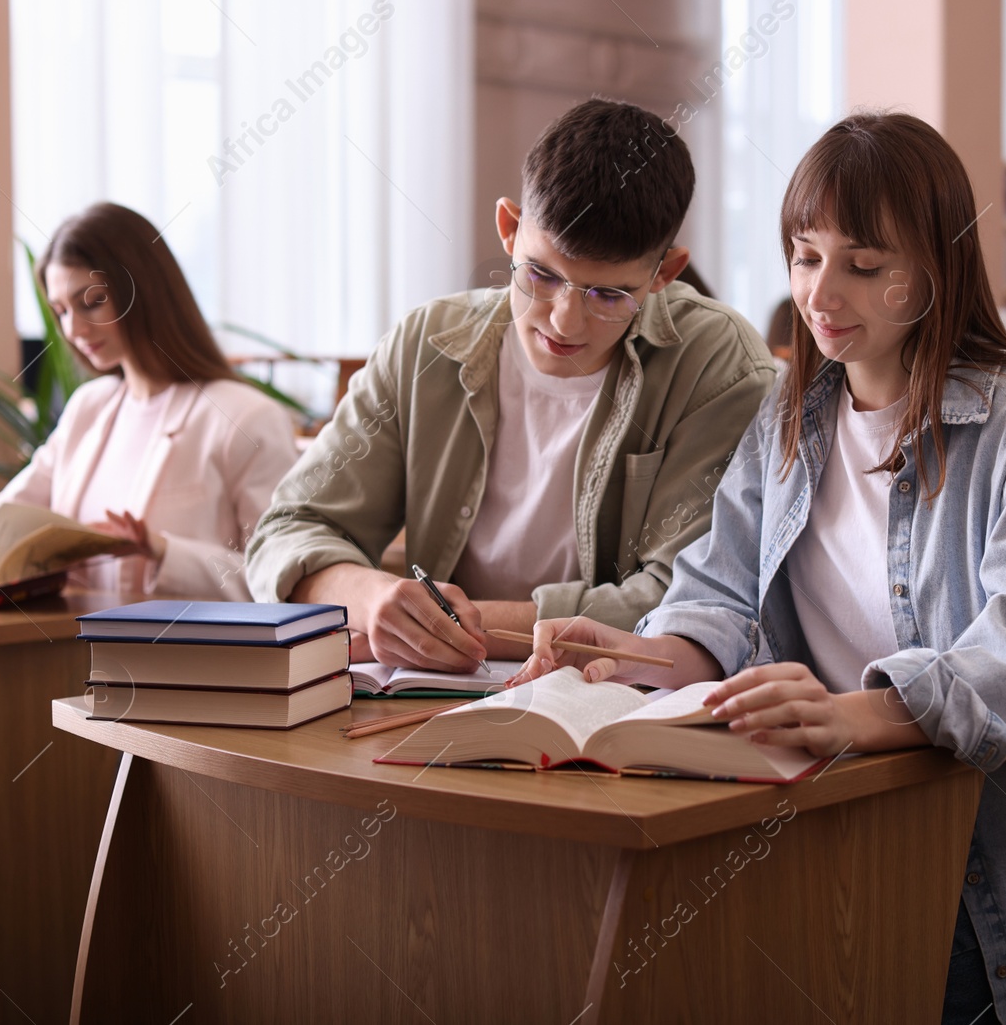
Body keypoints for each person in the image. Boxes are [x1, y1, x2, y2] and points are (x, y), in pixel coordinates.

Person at [512, 112, 1006, 1024]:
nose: (822, 293)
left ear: (936, 270)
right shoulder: (789, 420)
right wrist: (641, 655)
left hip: (995, 881)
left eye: (865, 266)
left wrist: (848, 714)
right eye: (805, 256)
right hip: (834, 826)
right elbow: (715, 592)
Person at [244, 98, 777, 670]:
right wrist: (371, 598)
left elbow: (687, 601)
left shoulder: (720, 363)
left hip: (613, 702)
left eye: (609, 295)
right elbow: (288, 529)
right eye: (542, 274)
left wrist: (450, 627)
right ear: (509, 227)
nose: (564, 321)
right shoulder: (427, 342)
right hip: (437, 692)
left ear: (664, 274)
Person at [0, 202, 299, 600]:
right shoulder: (89, 407)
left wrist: (161, 550)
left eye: (91, 302)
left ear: (142, 289)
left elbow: (277, 576)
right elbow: (17, 505)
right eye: (60, 311)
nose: (73, 329)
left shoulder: (245, 417)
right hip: (68, 650)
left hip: (187, 656)